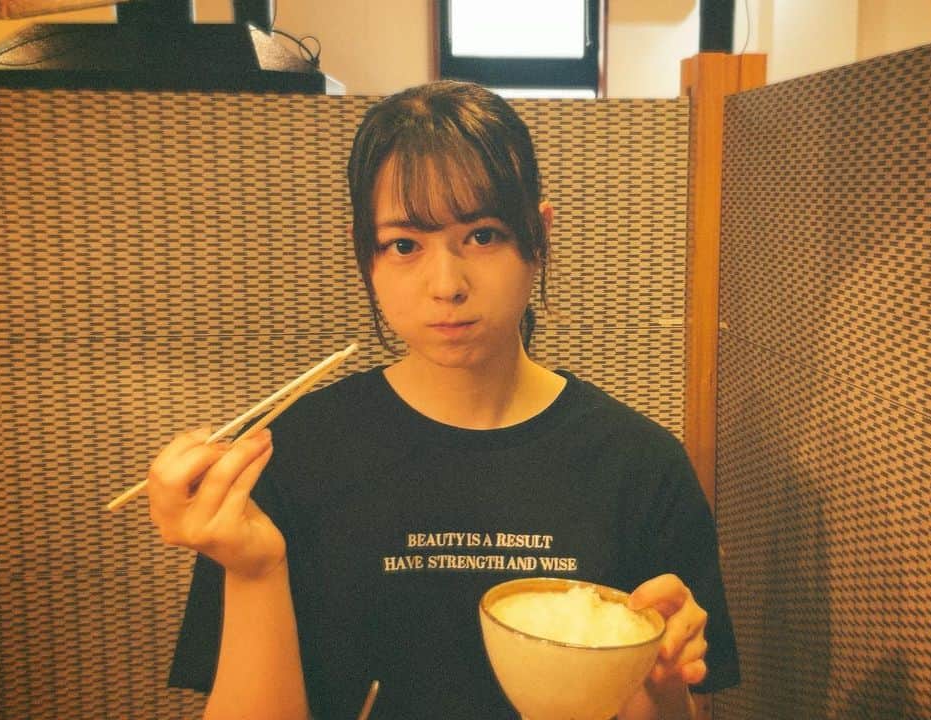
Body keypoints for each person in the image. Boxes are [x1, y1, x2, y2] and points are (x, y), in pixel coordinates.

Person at [152, 80, 739, 719]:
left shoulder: (641, 466)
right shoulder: (285, 457)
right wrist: (253, 571)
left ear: (539, 236)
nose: (446, 285)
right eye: (404, 245)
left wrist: (661, 683)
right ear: (366, 255)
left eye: (483, 236)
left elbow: (671, 704)